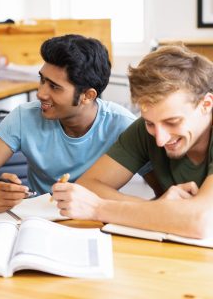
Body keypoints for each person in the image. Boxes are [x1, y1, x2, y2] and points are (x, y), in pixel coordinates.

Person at [0, 34, 136, 212]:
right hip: (36, 221)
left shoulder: (124, 126)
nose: (40, 93)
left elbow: (161, 194)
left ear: (87, 96)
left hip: (97, 222)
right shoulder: (23, 117)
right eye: (42, 80)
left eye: (54, 87)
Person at [52, 44, 213, 239]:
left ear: (206, 104)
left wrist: (98, 208)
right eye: (150, 123)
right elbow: (89, 185)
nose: (160, 140)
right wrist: (158, 210)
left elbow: (201, 221)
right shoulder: (144, 131)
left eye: (173, 122)